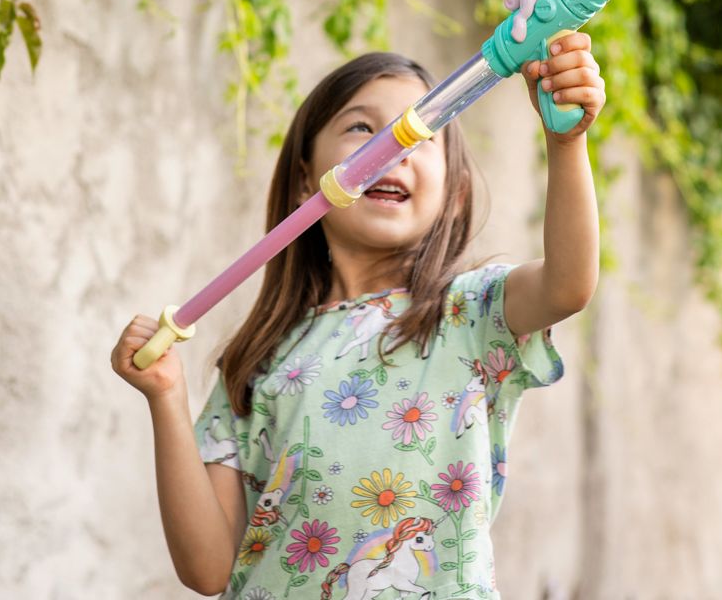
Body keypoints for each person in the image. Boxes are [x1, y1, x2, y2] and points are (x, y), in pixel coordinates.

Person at [112, 35, 605, 599]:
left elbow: (568, 285)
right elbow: (207, 569)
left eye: (424, 131)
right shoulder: (256, 361)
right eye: (362, 128)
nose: (396, 146)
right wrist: (166, 397)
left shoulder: (471, 312)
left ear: (455, 192)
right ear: (305, 179)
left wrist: (565, 144)